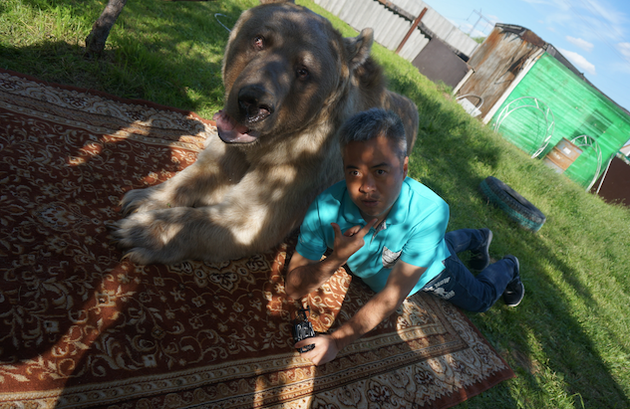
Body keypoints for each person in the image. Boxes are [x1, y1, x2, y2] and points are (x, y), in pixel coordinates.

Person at [284, 108, 524, 366]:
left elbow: (392, 295)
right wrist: (337, 258)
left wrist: (337, 340)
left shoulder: (430, 211)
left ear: (405, 168)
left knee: (480, 299)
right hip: (417, 246)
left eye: (380, 171)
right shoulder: (326, 208)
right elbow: (293, 288)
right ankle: (478, 237)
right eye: (354, 172)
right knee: (436, 242)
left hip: (434, 270)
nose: (366, 187)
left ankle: (509, 265)